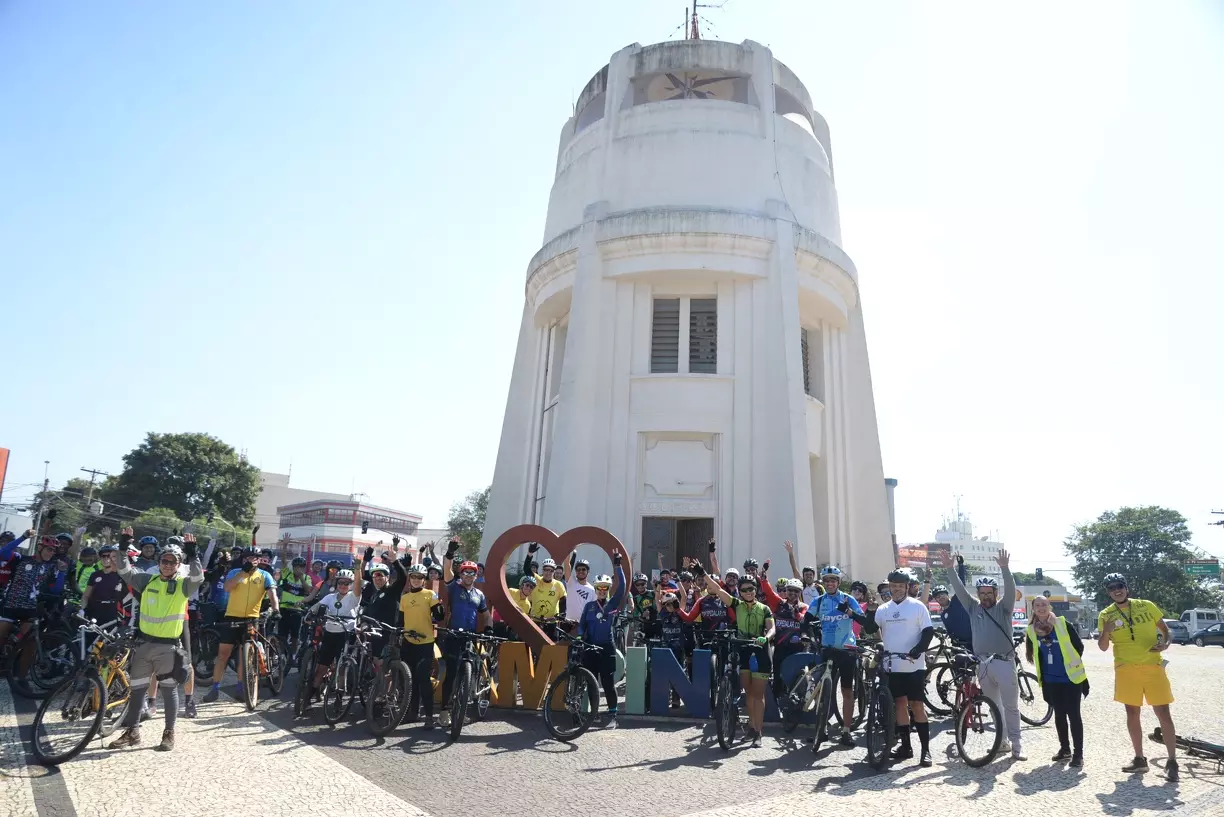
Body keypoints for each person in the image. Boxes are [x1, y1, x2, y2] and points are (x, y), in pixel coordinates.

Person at [107, 542, 203, 751]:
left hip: (167, 648)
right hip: (143, 645)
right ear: (159, 562)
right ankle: (132, 732)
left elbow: (198, 578)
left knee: (169, 691)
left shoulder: (182, 585)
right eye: (164, 561)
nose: (168, 565)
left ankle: (169, 733)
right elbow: (124, 571)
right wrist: (123, 548)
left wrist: (193, 554)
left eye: (173, 562)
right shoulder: (147, 580)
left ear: (178, 564)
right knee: (137, 690)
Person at [1097, 573, 1179, 781]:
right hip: (1126, 669)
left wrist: (1166, 643)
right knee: (1132, 714)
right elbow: (1103, 647)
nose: (1117, 590)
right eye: (1112, 588)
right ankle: (1140, 759)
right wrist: (1106, 630)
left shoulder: (1146, 605)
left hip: (1153, 666)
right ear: (1108, 592)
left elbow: (1166, 630)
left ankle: (1172, 761)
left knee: (1163, 713)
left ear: (1126, 587)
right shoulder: (1106, 614)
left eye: (1120, 586)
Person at [851, 569, 935, 766]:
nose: (897, 589)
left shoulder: (917, 607)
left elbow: (928, 632)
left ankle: (926, 750)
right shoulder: (884, 609)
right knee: (899, 704)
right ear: (890, 587)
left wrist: (918, 649)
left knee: (916, 706)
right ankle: (906, 747)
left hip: (914, 666)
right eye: (894, 586)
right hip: (892, 665)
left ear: (906, 587)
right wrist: (870, 611)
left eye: (900, 586)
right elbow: (871, 628)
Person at [948, 549, 1024, 760]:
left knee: (1011, 707)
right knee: (994, 706)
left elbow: (1011, 590)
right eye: (982, 593)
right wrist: (949, 569)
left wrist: (1005, 568)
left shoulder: (1004, 608)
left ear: (995, 594)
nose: (985, 597)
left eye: (989, 593)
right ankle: (1002, 742)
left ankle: (1017, 745)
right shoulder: (973, 608)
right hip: (983, 663)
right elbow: (960, 590)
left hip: (1004, 662)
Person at [698, 562, 774, 748]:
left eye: (751, 589)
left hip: (760, 651)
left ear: (755, 590)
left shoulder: (764, 608)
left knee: (758, 695)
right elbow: (716, 588)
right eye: (745, 590)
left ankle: (758, 732)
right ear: (739, 591)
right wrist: (701, 572)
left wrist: (765, 638)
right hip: (743, 650)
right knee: (748, 692)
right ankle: (751, 727)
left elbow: (772, 628)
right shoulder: (737, 604)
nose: (748, 592)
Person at [202, 541, 280, 703]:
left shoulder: (265, 575)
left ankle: (240, 687)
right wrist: (242, 573)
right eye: (249, 558)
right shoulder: (234, 572)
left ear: (260, 560)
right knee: (223, 654)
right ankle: (215, 688)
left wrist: (276, 610)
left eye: (255, 558)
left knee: (243, 657)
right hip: (232, 616)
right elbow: (227, 588)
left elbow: (273, 595)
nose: (252, 560)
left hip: (252, 618)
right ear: (244, 559)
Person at [1026, 595, 1089, 768]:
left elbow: (1079, 646)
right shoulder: (1031, 629)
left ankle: (1078, 754)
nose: (1041, 607)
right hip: (1050, 680)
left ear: (1049, 607)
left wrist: (1070, 662)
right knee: (1059, 715)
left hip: (1070, 677)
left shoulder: (1062, 624)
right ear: (1033, 609)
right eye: (1037, 605)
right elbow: (1034, 653)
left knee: (1074, 715)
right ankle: (1065, 749)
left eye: (1044, 604)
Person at [807, 566, 863, 746]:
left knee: (847, 691)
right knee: (823, 691)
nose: (830, 583)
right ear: (823, 583)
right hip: (827, 650)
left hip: (847, 650)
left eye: (833, 580)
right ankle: (821, 729)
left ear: (838, 582)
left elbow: (864, 621)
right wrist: (807, 634)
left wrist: (849, 612)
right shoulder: (818, 600)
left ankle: (846, 731)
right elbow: (806, 620)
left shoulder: (848, 599)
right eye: (827, 581)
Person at [575, 553, 627, 726]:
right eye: (599, 588)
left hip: (606, 647)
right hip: (590, 647)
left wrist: (617, 565)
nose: (602, 591)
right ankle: (594, 714)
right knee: (591, 682)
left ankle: (613, 716)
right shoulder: (589, 606)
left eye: (605, 588)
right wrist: (579, 637)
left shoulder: (612, 605)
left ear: (608, 589)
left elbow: (623, 586)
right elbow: (582, 625)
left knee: (607, 682)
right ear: (595, 589)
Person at [439, 559, 490, 728]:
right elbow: (447, 570)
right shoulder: (455, 588)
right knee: (451, 673)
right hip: (453, 635)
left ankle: (461, 711)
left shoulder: (479, 595)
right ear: (461, 574)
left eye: (472, 572)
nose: (469, 575)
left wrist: (489, 628)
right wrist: (450, 555)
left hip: (470, 637)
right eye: (465, 572)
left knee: (470, 672)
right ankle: (444, 711)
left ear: (476, 575)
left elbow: (487, 614)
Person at [306, 562, 363, 703]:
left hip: (346, 635)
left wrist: (357, 569)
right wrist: (309, 615)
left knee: (341, 668)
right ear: (336, 583)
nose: (343, 585)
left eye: (346, 583)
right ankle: (309, 696)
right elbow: (316, 607)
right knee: (322, 668)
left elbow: (357, 584)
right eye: (340, 582)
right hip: (330, 634)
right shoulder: (329, 597)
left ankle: (339, 696)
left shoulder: (353, 597)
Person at [399, 563, 443, 727]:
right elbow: (400, 621)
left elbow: (439, 616)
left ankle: (429, 716)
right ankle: (412, 712)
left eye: (420, 577)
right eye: (413, 577)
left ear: (424, 580)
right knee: (409, 679)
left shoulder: (429, 594)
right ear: (410, 578)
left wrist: (439, 605)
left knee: (423, 678)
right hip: (408, 642)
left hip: (425, 642)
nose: (416, 580)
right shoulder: (404, 597)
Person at [81, 544, 130, 625]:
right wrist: (83, 609)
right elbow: (85, 596)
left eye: (109, 556)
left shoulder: (120, 575)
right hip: (93, 612)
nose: (106, 558)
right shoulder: (95, 575)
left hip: (113, 615)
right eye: (103, 556)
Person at [277, 556, 315, 653]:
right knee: (282, 635)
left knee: (295, 636)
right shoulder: (287, 574)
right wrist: (285, 546)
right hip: (284, 608)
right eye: (296, 567)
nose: (298, 569)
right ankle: (280, 655)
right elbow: (283, 560)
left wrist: (301, 577)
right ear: (293, 567)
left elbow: (308, 590)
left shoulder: (307, 577)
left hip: (297, 610)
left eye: (301, 567)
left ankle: (293, 655)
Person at [942, 555, 973, 649]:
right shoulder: (943, 615)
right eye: (937, 597)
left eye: (942, 594)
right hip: (958, 646)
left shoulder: (957, 601)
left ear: (948, 595)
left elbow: (960, 584)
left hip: (972, 642)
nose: (940, 598)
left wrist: (961, 565)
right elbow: (949, 631)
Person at [782, 540, 821, 606]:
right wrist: (791, 553)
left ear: (814, 575)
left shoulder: (819, 588)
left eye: (810, 574)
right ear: (803, 576)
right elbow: (794, 568)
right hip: (803, 612)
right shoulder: (801, 585)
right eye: (806, 575)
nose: (808, 576)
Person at [564, 555, 596, 623]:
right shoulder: (571, 582)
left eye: (583, 569)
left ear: (588, 571)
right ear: (576, 571)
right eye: (578, 569)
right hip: (567, 622)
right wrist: (569, 547)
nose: (581, 571)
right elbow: (566, 564)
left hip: (582, 625)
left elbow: (593, 610)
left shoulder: (592, 590)